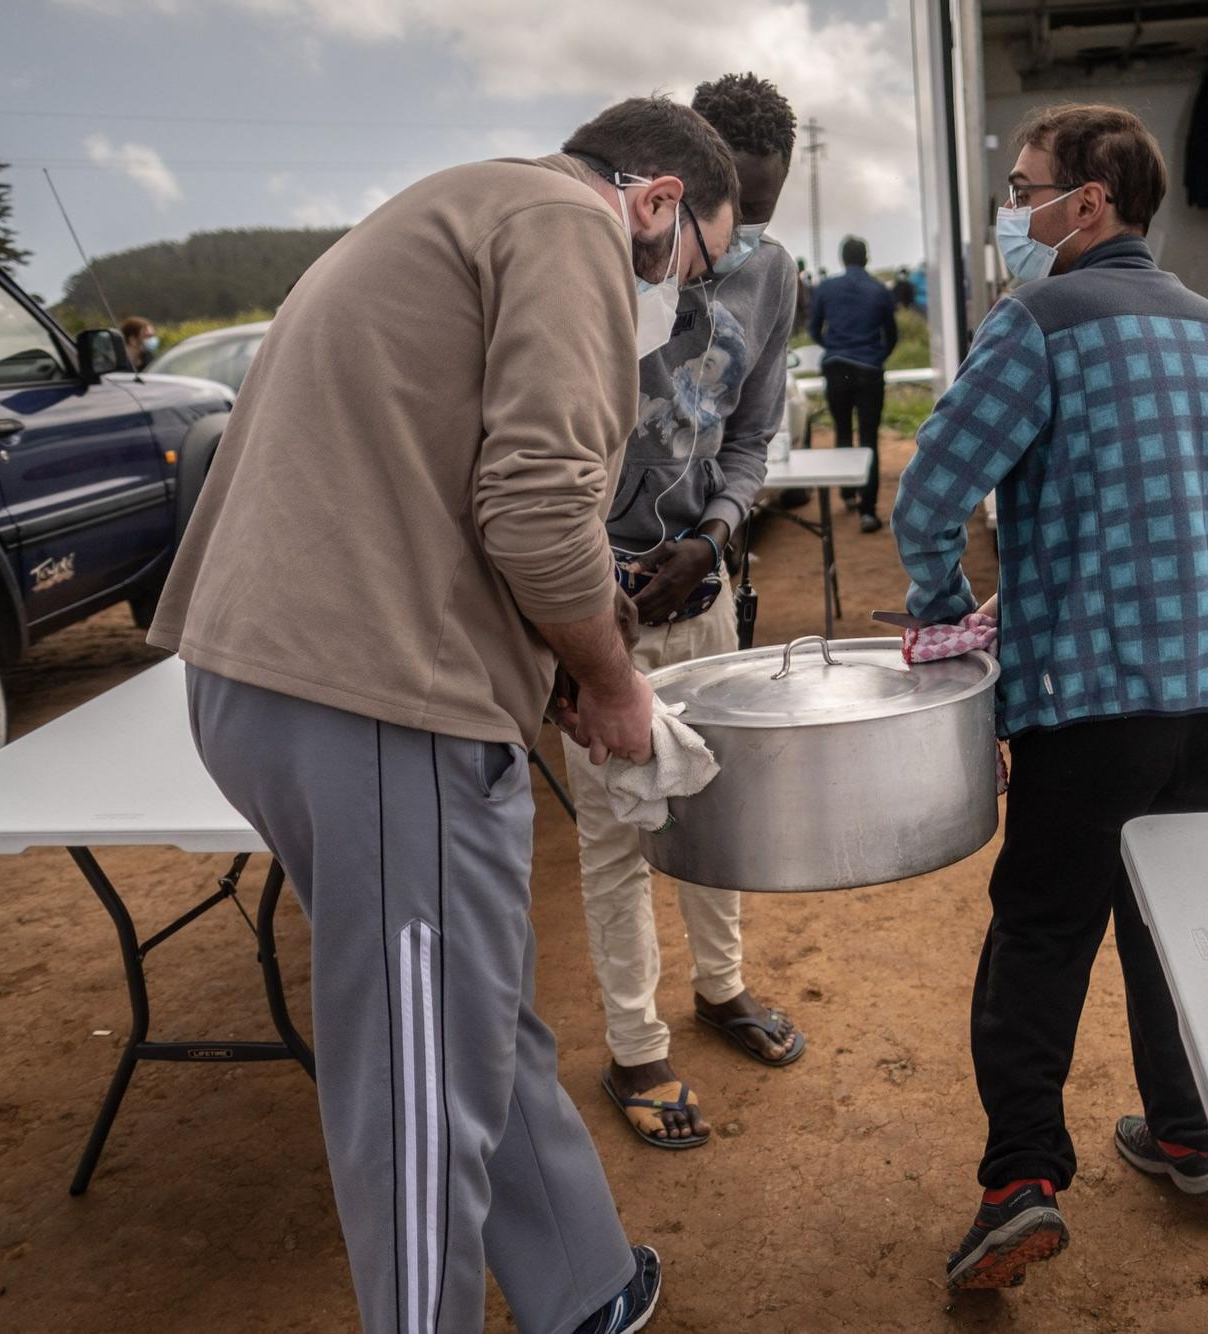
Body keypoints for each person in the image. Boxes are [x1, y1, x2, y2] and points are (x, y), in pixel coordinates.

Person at [147, 97, 739, 1334]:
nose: (683, 292)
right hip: (375, 701)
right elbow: (532, 507)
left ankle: (580, 1282)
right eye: (695, 264)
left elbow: (449, 484)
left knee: (468, 997)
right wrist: (617, 681)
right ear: (658, 201)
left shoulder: (453, 206)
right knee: (415, 1074)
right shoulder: (571, 230)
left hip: (270, 677)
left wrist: (567, 652)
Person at [891, 103, 1208, 1292]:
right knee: (1160, 913)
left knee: (1043, 925)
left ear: (1085, 202)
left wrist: (944, 601)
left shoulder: (1038, 319)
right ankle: (1190, 1132)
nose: (1010, 210)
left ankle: (1017, 1179)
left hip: (1095, 690)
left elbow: (929, 491)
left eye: (1021, 187)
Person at [559, 72, 806, 1154]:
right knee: (616, 830)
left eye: (760, 211)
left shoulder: (773, 277)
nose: (737, 236)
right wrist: (590, 592)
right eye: (727, 211)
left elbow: (750, 438)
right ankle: (633, 1045)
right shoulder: (595, 262)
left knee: (716, 805)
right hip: (592, 606)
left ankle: (722, 987)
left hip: (699, 593)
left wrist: (711, 536)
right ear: (680, 188)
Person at [808, 235, 898, 531]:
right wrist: (876, 356)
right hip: (870, 370)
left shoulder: (827, 288)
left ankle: (847, 492)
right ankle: (868, 512)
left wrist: (834, 348)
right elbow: (891, 335)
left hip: (837, 368)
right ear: (867, 258)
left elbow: (813, 330)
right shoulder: (879, 290)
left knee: (843, 430)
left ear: (843, 259)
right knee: (869, 437)